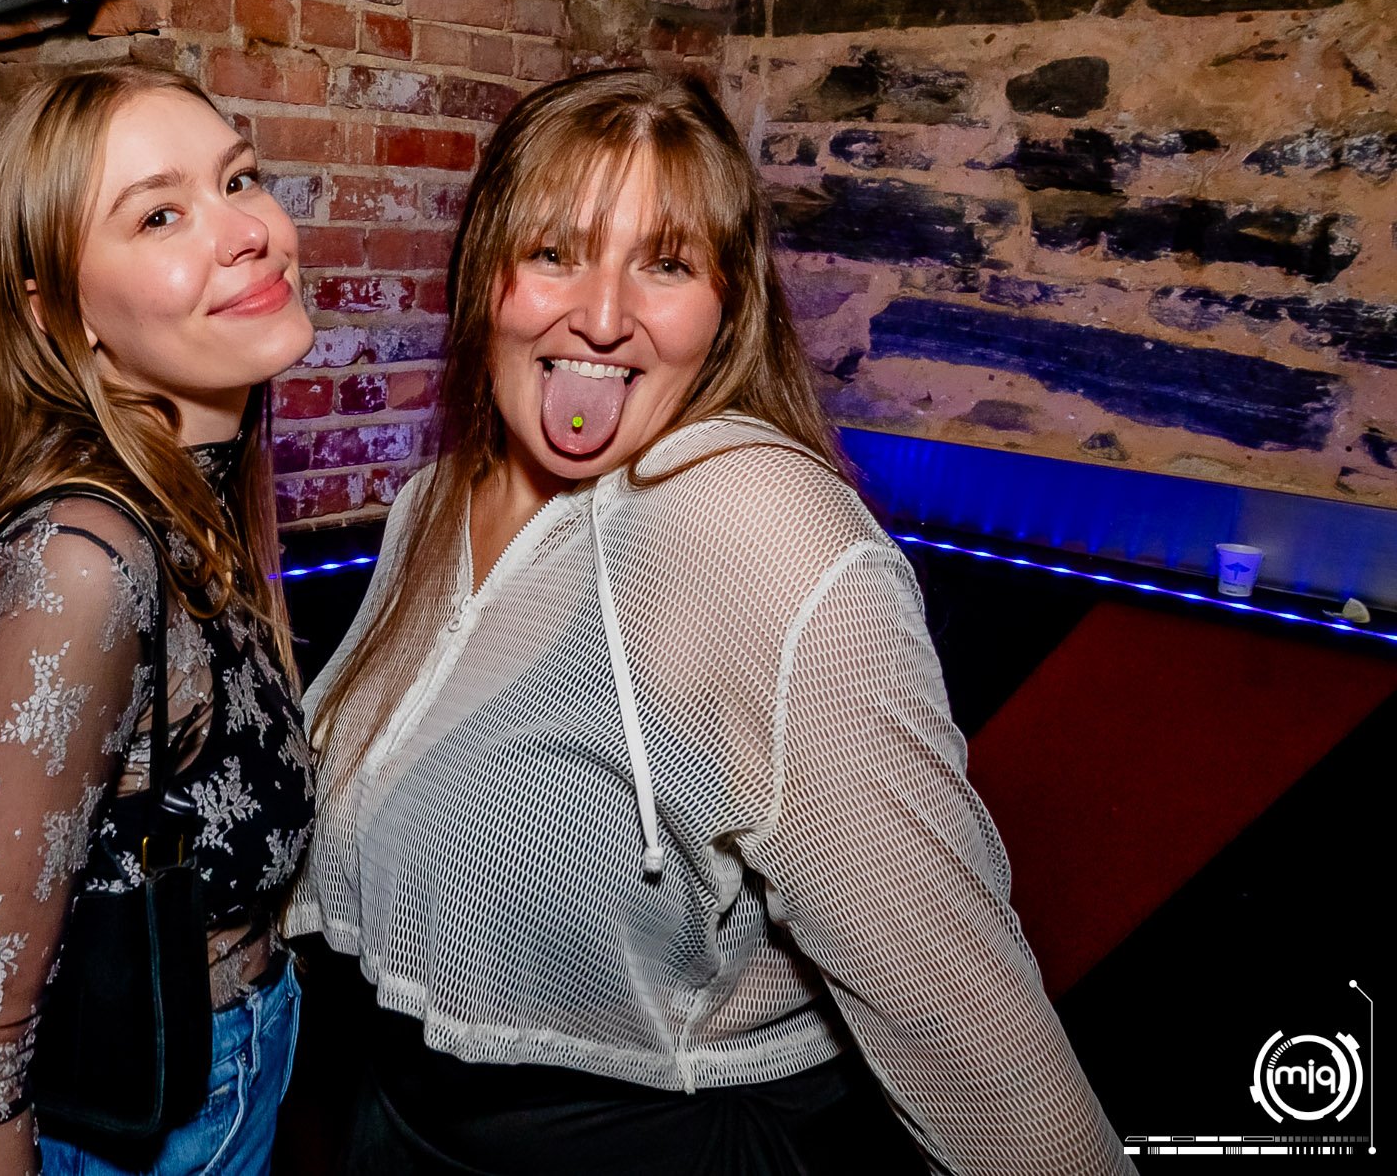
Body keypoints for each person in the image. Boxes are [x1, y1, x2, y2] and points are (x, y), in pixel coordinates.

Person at [285, 69, 1135, 1175]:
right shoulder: (433, 504)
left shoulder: (751, 528)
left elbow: (960, 1010)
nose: (602, 317)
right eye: (554, 252)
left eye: (667, 264)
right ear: (485, 273)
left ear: (727, 307)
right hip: (401, 1127)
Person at [0, 63, 318, 1176]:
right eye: (160, 215)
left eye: (240, 179)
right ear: (55, 310)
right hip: (135, 1132)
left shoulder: (192, 507)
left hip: (224, 1073)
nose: (250, 231)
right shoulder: (80, 563)